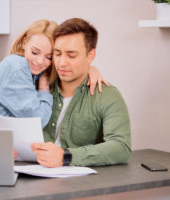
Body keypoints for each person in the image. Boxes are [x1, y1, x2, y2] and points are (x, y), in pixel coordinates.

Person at [0, 19, 107, 129]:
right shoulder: (17, 67)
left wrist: (90, 69)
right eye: (35, 52)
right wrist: (43, 88)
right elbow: (38, 120)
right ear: (24, 43)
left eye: (49, 57)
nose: (40, 61)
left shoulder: (33, 73)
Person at [31, 18, 131, 167]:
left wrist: (66, 157)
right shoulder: (35, 86)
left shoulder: (108, 96)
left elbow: (121, 147)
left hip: (80, 184)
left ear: (90, 56)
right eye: (57, 54)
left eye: (71, 55)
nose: (62, 62)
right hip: (30, 177)